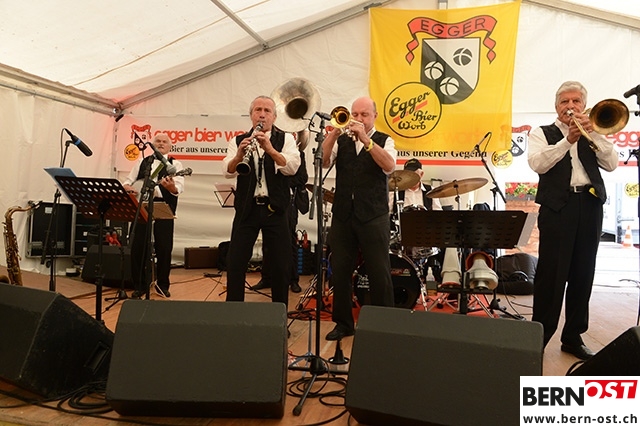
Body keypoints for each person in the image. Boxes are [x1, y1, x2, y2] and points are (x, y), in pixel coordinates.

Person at [527, 81, 618, 360]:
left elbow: (612, 163)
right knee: (551, 275)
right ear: (556, 106)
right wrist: (567, 141)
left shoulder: (594, 131)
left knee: (583, 273)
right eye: (565, 101)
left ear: (584, 105)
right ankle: (539, 336)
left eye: (576, 101)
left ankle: (573, 336)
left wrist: (595, 135)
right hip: (558, 208)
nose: (570, 106)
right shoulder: (542, 133)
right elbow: (538, 164)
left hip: (589, 205)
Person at [322, 96, 397, 340]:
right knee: (340, 271)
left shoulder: (385, 140)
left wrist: (366, 140)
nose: (358, 118)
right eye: (355, 114)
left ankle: (384, 326)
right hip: (344, 214)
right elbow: (323, 161)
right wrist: (333, 133)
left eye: (364, 114)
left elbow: (389, 166)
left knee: (379, 271)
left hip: (373, 215)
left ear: (374, 116)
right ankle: (344, 324)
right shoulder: (341, 140)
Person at [222, 96, 301, 309]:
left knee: (281, 265)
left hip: (275, 209)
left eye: (267, 111)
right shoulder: (238, 140)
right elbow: (227, 171)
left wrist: (270, 149)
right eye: (258, 110)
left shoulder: (286, 139)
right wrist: (239, 156)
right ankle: (233, 312)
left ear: (274, 117)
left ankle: (279, 314)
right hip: (247, 209)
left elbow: (292, 167)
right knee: (236, 261)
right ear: (251, 115)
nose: (262, 114)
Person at [122, 133, 185, 299]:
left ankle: (162, 285)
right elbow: (128, 181)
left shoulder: (175, 164)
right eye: (158, 141)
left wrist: (171, 188)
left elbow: (178, 189)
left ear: (170, 146)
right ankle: (139, 285)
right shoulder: (143, 161)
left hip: (164, 207)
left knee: (164, 247)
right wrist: (128, 187)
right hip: (142, 206)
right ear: (153, 144)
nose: (161, 144)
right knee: (137, 246)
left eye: (165, 142)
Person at [253, 147, 309, 294]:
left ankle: (293, 279)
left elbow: (302, 178)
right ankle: (267, 278)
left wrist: (279, 181)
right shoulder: (265, 152)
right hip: (269, 200)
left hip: (287, 202)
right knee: (267, 241)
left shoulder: (298, 153)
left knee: (289, 240)